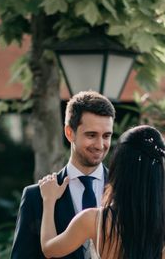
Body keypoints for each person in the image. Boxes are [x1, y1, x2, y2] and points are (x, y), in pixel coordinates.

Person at [39, 125, 165, 259]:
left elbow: (49, 249)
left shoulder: (93, 220)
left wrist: (48, 201)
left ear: (119, 168)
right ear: (159, 172)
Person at [11, 90, 116, 259]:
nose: (100, 145)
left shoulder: (125, 190)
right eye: (91, 135)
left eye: (106, 136)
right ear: (69, 133)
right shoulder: (35, 197)